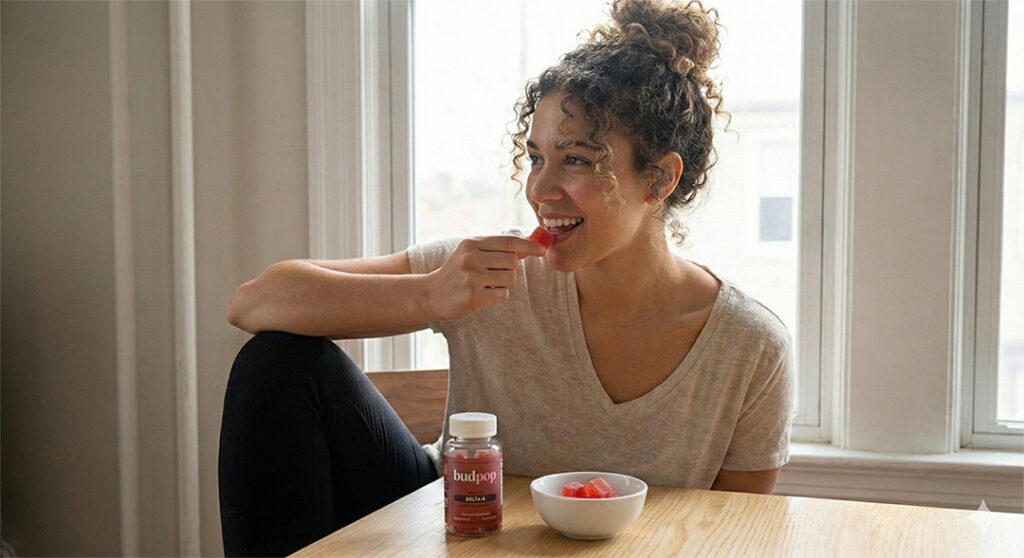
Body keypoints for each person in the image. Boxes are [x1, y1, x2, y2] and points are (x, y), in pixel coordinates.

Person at [218, 0, 794, 555]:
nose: (541, 191)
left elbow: (730, 536)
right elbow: (255, 302)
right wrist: (431, 293)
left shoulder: (749, 348)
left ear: (660, 178)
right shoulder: (490, 273)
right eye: (536, 157)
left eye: (576, 159)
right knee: (277, 363)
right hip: (452, 527)